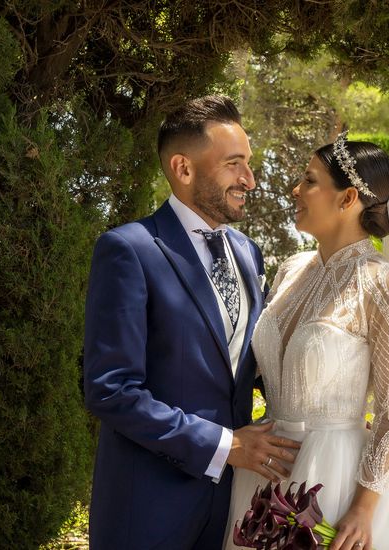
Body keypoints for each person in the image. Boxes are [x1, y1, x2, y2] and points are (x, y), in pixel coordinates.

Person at [224, 130, 389, 549]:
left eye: (309, 181)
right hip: (263, 470)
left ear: (347, 199)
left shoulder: (383, 286)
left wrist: (363, 508)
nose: (295, 190)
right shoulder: (289, 270)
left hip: (334, 477)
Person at [83, 95, 300, 550]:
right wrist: (227, 447)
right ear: (183, 168)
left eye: (250, 164)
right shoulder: (129, 250)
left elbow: (242, 366)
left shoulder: (247, 252)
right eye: (235, 164)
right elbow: (111, 389)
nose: (250, 180)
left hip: (233, 505)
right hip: (147, 506)